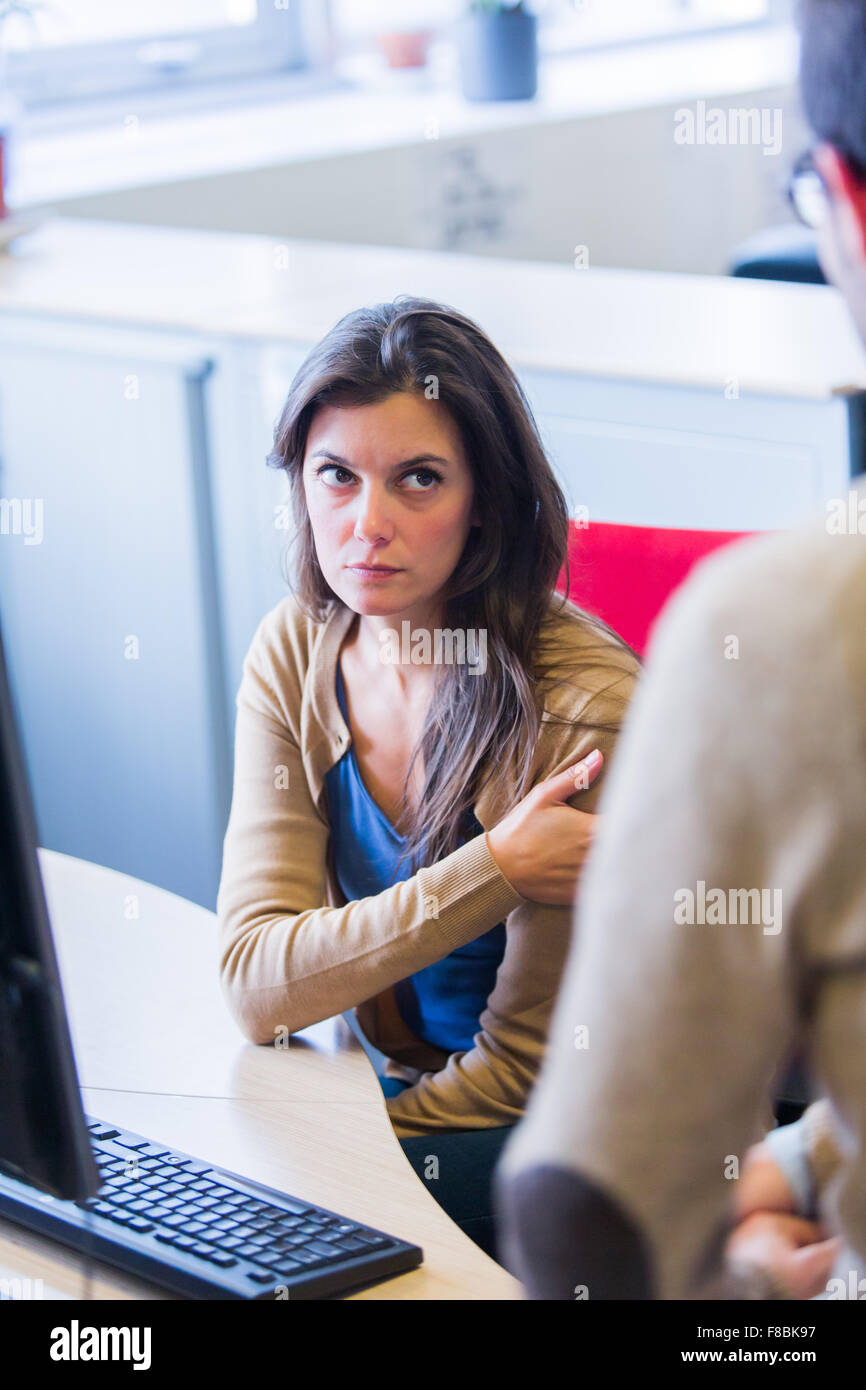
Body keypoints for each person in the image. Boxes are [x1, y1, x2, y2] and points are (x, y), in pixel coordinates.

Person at [492, 0, 866, 1298]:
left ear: (842, 203)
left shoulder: (794, 626)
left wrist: (760, 1293)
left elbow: (592, 1227)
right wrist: (815, 1161)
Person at [216, 296, 640, 1256]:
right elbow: (256, 983)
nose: (367, 525)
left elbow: (526, 1075)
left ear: (485, 499)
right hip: (396, 1102)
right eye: (336, 476)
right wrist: (495, 868)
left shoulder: (584, 709)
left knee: (264, 1238)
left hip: (572, 1132)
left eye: (418, 480)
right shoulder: (295, 649)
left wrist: (333, 1166)